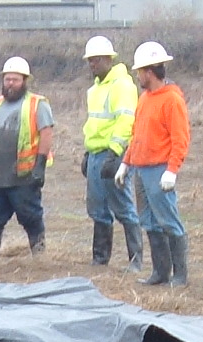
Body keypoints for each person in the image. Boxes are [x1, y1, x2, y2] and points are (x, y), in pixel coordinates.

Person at [115, 41, 191, 287]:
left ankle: (180, 276)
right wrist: (126, 164)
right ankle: (160, 273)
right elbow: (137, 135)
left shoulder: (172, 100)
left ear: (149, 71)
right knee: (148, 221)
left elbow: (181, 139)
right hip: (140, 170)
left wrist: (172, 170)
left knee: (168, 220)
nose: (138, 76)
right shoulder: (145, 99)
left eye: (139, 71)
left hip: (159, 171)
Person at [0, 56, 55, 261]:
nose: (10, 83)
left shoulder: (38, 104)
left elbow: (46, 134)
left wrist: (40, 167)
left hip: (24, 176)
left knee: (31, 218)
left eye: (15, 80)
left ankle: (40, 257)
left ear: (25, 81)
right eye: (7, 79)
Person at [80, 35, 142, 272]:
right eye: (90, 61)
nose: (92, 64)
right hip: (96, 154)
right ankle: (100, 259)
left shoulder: (122, 85)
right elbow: (94, 124)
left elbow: (126, 121)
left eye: (96, 60)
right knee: (98, 209)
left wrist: (115, 154)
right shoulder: (94, 90)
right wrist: (88, 153)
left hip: (115, 155)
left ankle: (135, 261)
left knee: (123, 207)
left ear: (109, 59)